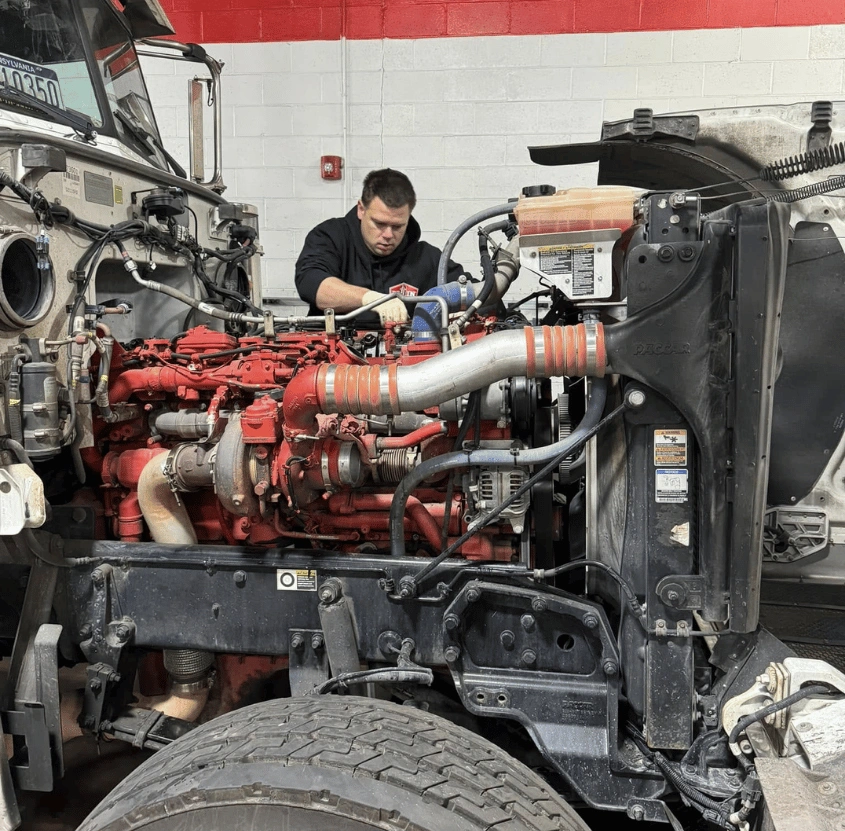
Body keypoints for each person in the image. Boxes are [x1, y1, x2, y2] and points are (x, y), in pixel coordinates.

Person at [295, 168, 468, 325]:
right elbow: (311, 283)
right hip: (332, 355)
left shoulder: (425, 258)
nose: (388, 235)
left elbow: (472, 291)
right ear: (361, 209)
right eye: (379, 223)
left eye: (398, 226)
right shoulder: (330, 237)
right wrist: (370, 299)